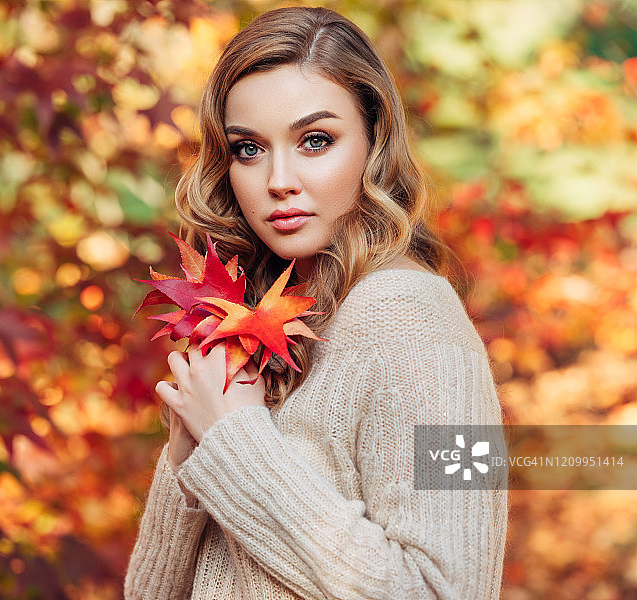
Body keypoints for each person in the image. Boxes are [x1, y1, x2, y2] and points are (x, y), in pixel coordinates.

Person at [124, 6, 507, 600]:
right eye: (248, 149)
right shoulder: (262, 323)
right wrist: (188, 453)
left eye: (315, 140)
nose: (279, 179)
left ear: (374, 141)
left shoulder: (416, 319)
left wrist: (234, 444)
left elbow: (447, 591)